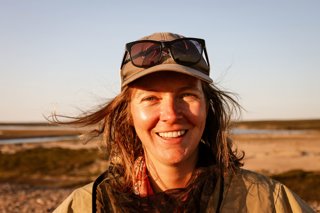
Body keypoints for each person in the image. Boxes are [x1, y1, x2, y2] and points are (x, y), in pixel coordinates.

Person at [54, 32, 314, 212]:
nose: (170, 114)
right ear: (128, 113)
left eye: (187, 95)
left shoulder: (268, 202)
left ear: (208, 107)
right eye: (150, 98)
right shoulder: (87, 206)